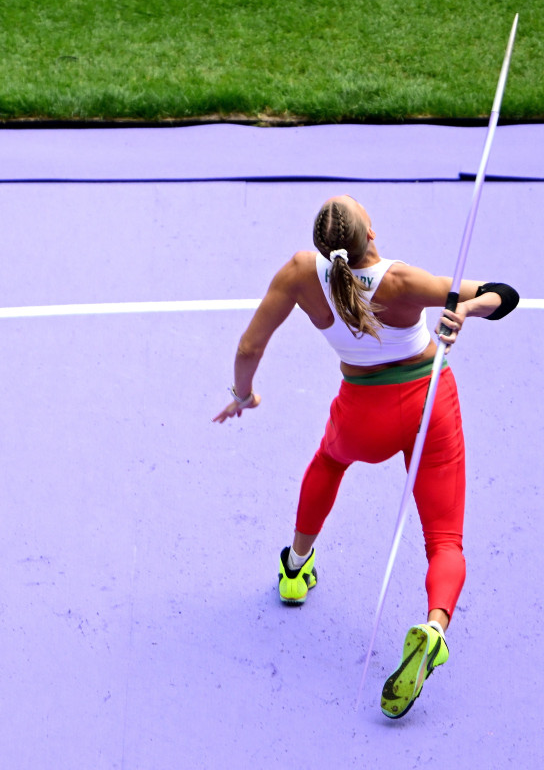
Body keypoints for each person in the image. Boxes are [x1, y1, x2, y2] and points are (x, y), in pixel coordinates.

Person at [212, 194, 519, 718]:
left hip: (362, 415)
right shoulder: (402, 282)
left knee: (329, 463)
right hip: (428, 405)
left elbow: (248, 348)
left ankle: (295, 567)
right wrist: (466, 308)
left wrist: (244, 395)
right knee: (444, 538)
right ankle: (434, 627)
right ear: (370, 235)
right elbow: (504, 295)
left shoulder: (299, 274)